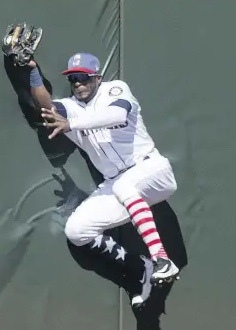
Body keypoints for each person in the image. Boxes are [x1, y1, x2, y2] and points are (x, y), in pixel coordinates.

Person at [27, 51, 180, 308]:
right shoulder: (70, 108)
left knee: (124, 185)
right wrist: (31, 71)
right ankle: (141, 267)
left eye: (84, 78)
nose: (78, 83)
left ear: (97, 77)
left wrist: (72, 125)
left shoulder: (115, 89)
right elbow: (45, 107)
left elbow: (118, 116)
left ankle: (162, 258)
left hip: (151, 170)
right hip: (116, 184)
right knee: (76, 231)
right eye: (73, 78)